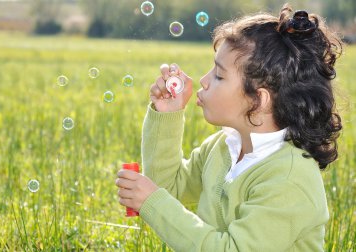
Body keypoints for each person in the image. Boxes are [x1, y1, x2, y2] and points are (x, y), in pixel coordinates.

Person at [115, 4, 343, 251]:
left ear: (259, 100)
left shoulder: (289, 179)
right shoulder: (224, 147)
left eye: (219, 76)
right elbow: (169, 187)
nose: (203, 80)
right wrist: (167, 115)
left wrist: (152, 201)